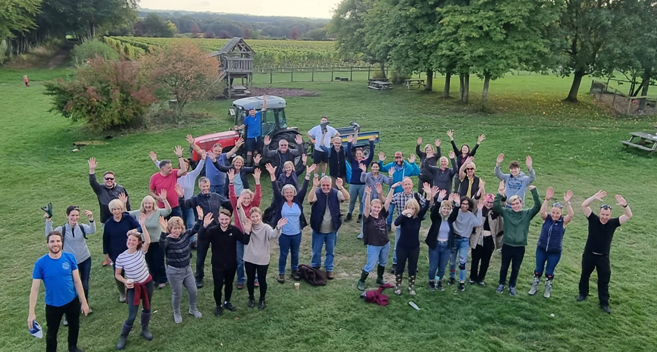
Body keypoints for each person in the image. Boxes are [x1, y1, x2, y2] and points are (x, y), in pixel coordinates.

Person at [28, 231, 90, 352]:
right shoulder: (41, 263)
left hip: (72, 301)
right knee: (52, 333)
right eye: (52, 241)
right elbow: (34, 289)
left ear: (61, 243)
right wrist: (31, 313)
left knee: (74, 326)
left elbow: (77, 282)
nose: (55, 244)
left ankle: (73, 347)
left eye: (58, 241)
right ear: (47, 244)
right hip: (53, 305)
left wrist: (84, 302)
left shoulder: (69, 258)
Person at [577, 190, 632, 314]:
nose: (604, 217)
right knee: (584, 275)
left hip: (603, 257)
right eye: (603, 214)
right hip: (589, 254)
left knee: (604, 280)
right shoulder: (593, 219)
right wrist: (594, 197)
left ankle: (604, 303)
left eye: (607, 215)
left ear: (610, 215)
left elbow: (628, 216)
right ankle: (582, 294)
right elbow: (584, 205)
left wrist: (625, 205)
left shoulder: (613, 223)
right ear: (600, 213)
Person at [44, 206, 95, 325]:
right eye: (72, 215)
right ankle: (67, 314)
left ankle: (84, 305)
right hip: (70, 263)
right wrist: (48, 221)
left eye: (77, 215)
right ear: (67, 215)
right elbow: (49, 234)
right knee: (70, 288)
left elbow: (92, 231)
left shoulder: (81, 227)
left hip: (85, 259)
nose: (75, 218)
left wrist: (91, 219)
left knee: (85, 285)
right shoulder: (62, 230)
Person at [178, 177, 233, 289]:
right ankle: (199, 277)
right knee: (201, 256)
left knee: (219, 255)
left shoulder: (216, 196)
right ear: (200, 186)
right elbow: (184, 205)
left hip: (217, 231)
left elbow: (228, 204)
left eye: (207, 186)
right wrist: (181, 197)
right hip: (203, 231)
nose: (206, 188)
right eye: (203, 186)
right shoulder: (195, 199)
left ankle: (220, 276)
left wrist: (226, 216)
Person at [150, 134, 206, 238]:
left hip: (187, 203)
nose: (184, 167)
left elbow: (198, 168)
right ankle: (169, 241)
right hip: (173, 204)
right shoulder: (174, 174)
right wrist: (155, 161)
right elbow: (163, 169)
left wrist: (201, 158)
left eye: (186, 166)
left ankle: (190, 241)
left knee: (188, 223)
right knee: (169, 225)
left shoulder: (191, 175)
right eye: (181, 165)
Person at [198, 209, 250, 317]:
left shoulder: (234, 230)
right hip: (217, 264)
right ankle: (218, 305)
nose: (224, 221)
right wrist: (204, 226)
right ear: (218, 219)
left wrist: (248, 231)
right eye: (222, 219)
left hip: (231, 263)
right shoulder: (212, 230)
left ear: (230, 219)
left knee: (229, 284)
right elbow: (201, 237)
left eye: (226, 219)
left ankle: (227, 302)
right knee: (217, 286)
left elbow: (245, 240)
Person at [267, 162, 313, 283]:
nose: (289, 194)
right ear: (283, 194)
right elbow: (275, 188)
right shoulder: (280, 201)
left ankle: (294, 270)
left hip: (297, 233)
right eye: (286, 192)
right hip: (284, 234)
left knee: (295, 253)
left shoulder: (298, 200)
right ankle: (281, 273)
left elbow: (304, 188)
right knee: (283, 254)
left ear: (294, 193)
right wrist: (272, 175)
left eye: (291, 192)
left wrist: (308, 175)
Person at [494, 183, 542, 296]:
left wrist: (534, 191)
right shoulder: (506, 212)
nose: (515, 206)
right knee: (504, 267)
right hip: (507, 245)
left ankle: (512, 286)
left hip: (520, 247)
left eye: (517, 203)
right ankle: (501, 284)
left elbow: (537, 206)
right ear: (510, 205)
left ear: (521, 203)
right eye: (513, 204)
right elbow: (496, 207)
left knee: (515, 268)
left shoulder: (527, 214)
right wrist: (500, 194)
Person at [114, 213, 153, 350]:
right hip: (133, 287)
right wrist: (125, 281)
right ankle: (123, 336)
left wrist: (142, 225)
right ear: (127, 241)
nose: (131, 242)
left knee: (147, 308)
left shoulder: (140, 252)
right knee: (132, 314)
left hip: (147, 283)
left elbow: (147, 241)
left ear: (138, 243)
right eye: (129, 240)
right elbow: (117, 274)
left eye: (134, 241)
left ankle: (145, 329)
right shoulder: (121, 257)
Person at [236, 204, 286, 310]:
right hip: (249, 258)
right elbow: (241, 216)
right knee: (250, 280)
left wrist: (278, 227)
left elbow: (273, 235)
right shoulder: (248, 226)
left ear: (260, 216)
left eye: (257, 216)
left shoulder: (266, 228)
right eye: (253, 216)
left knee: (262, 280)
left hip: (262, 259)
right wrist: (239, 206)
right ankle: (251, 298)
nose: (255, 219)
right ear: (250, 218)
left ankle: (262, 299)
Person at [529, 187, 574, 298]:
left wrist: (567, 203)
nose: (554, 215)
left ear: (561, 213)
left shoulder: (563, 222)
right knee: (538, 270)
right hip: (541, 249)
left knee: (549, 271)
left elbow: (571, 215)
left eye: (557, 213)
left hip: (554, 252)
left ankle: (547, 288)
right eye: (553, 212)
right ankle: (534, 286)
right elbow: (542, 212)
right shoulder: (547, 218)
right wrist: (547, 200)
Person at [159, 214, 203, 323]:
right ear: (170, 229)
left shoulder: (185, 235)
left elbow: (195, 229)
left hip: (187, 269)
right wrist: (164, 232)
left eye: (179, 228)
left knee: (193, 291)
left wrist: (200, 218)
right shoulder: (168, 240)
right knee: (177, 294)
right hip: (174, 271)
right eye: (174, 228)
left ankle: (193, 309)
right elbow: (162, 245)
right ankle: (176, 312)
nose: (177, 231)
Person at [88, 157, 131, 264]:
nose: (109, 180)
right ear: (104, 180)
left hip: (120, 218)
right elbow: (92, 182)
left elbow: (127, 203)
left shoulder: (120, 189)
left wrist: (126, 211)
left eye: (111, 178)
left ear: (114, 180)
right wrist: (92, 170)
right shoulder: (100, 189)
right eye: (107, 178)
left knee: (122, 236)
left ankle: (126, 253)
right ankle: (108, 258)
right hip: (106, 219)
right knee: (108, 238)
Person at [308, 175, 350, 279]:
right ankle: (315, 266)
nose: (325, 187)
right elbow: (310, 199)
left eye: (328, 185)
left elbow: (347, 197)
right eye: (323, 185)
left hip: (332, 229)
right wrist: (314, 187)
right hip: (318, 229)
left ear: (331, 185)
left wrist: (341, 187)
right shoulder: (317, 192)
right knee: (316, 250)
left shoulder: (336, 193)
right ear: (320, 185)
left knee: (330, 251)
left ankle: (329, 269)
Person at [393, 184, 431, 296]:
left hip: (414, 247)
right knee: (400, 266)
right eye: (409, 207)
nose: (411, 210)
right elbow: (396, 223)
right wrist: (403, 214)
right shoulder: (404, 217)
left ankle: (411, 287)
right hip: (402, 246)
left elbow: (427, 205)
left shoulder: (418, 217)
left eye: (413, 208)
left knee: (412, 267)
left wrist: (429, 193)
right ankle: (398, 286)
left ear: (416, 209)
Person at [357, 183, 396, 291]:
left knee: (383, 262)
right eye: (375, 207)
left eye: (378, 207)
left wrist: (391, 188)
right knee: (370, 264)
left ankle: (379, 278)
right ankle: (361, 281)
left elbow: (387, 201)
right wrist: (368, 194)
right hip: (374, 244)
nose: (376, 209)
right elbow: (367, 206)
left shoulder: (382, 214)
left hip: (385, 243)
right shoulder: (367, 217)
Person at [228, 168, 262, 290]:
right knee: (240, 259)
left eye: (248, 198)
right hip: (239, 235)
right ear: (240, 198)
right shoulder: (237, 206)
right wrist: (231, 182)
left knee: (253, 257)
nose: (246, 200)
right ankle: (241, 279)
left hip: (252, 235)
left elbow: (258, 196)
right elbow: (232, 196)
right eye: (244, 198)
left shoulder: (254, 206)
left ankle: (255, 278)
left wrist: (257, 181)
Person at [129, 192, 171, 290]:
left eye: (149, 203)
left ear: (153, 204)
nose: (147, 205)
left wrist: (164, 200)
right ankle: (153, 279)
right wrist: (122, 204)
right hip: (145, 242)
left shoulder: (158, 212)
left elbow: (168, 211)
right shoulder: (138, 213)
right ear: (143, 205)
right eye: (146, 204)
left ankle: (162, 280)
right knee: (149, 261)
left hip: (158, 241)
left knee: (159, 261)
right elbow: (125, 214)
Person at [104, 199, 142, 303]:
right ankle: (122, 292)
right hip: (115, 252)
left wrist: (134, 230)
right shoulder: (108, 224)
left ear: (122, 209)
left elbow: (140, 227)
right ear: (111, 210)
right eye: (114, 209)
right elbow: (105, 240)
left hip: (130, 250)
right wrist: (106, 255)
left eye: (118, 209)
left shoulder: (128, 218)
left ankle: (135, 289)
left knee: (133, 270)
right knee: (118, 273)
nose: (116, 211)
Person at [387, 177, 426, 273]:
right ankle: (396, 263)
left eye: (409, 184)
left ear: (412, 185)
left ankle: (413, 264)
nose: (407, 186)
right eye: (405, 184)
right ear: (402, 186)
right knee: (398, 245)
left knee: (414, 244)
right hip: (401, 223)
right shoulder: (398, 195)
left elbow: (427, 204)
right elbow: (387, 201)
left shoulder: (417, 195)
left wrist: (430, 194)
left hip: (413, 224)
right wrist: (392, 188)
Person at [447, 193, 484, 291]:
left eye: (467, 204)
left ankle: (461, 282)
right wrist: (452, 202)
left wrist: (480, 210)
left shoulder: (471, 215)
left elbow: (478, 222)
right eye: (463, 203)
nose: (464, 206)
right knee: (452, 261)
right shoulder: (456, 212)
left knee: (462, 263)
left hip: (464, 241)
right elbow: (447, 215)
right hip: (454, 239)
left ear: (469, 206)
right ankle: (452, 277)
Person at [378, 151, 421, 231]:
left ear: (403, 158)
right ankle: (388, 225)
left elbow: (417, 172)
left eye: (400, 157)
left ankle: (406, 224)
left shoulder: (408, 167)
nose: (398, 159)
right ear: (395, 158)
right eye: (396, 158)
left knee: (404, 210)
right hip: (392, 192)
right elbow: (381, 168)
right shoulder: (391, 165)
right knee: (389, 210)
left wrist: (413, 163)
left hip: (404, 193)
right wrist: (380, 161)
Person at [469, 193, 503, 286]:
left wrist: (501, 194)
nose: (489, 204)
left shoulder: (496, 212)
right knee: (475, 259)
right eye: (488, 202)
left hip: (489, 239)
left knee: (485, 261)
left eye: (491, 202)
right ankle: (472, 277)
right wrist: (479, 192)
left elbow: (503, 204)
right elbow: (473, 203)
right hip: (478, 238)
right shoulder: (479, 209)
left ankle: (481, 278)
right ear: (485, 201)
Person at [426, 194, 455, 292]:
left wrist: (457, 203)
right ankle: (431, 282)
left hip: (446, 246)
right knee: (433, 267)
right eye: (444, 208)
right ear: (441, 208)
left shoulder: (450, 219)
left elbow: (456, 213)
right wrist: (439, 200)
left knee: (442, 268)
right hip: (435, 245)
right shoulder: (436, 218)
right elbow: (434, 211)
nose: (445, 211)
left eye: (448, 209)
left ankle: (438, 281)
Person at [149, 146, 189, 218]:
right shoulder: (154, 177)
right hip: (162, 207)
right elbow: (151, 191)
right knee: (164, 226)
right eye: (169, 168)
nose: (171, 169)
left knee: (178, 224)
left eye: (171, 167)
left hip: (176, 206)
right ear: (162, 169)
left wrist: (180, 157)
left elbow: (184, 170)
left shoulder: (173, 173)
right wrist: (158, 198)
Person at [345, 131, 376, 224]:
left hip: (363, 184)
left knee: (362, 201)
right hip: (353, 184)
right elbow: (349, 154)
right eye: (357, 153)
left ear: (363, 154)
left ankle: (360, 215)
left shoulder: (366, 162)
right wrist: (349, 143)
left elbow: (371, 155)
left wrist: (371, 143)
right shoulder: (353, 161)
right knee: (352, 200)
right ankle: (349, 213)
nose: (358, 155)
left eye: (360, 154)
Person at [234, 96, 267, 166]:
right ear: (249, 112)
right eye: (251, 111)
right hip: (250, 136)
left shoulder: (258, 115)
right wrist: (238, 128)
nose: (252, 112)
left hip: (257, 136)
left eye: (253, 111)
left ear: (255, 111)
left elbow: (264, 108)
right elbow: (244, 125)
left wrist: (265, 101)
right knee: (249, 151)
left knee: (256, 150)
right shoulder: (247, 118)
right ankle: (248, 163)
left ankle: (255, 163)